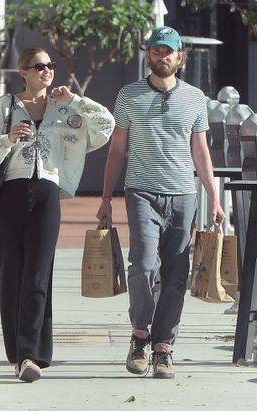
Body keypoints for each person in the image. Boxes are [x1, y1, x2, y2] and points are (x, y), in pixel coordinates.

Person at [0, 48, 115, 382]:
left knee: (38, 275)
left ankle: (30, 354)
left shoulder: (64, 107)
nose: (47, 71)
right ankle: (17, 352)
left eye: (51, 65)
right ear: (23, 72)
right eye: (39, 66)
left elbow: (106, 124)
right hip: (9, 194)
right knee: (12, 276)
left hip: (47, 194)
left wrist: (77, 100)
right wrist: (8, 139)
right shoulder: (7, 106)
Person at [97, 26, 225, 379]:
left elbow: (200, 152)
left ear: (179, 56)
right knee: (143, 264)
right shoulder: (129, 95)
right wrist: (106, 198)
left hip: (184, 195)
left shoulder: (196, 98)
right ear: (148, 55)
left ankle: (164, 347)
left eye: (168, 51)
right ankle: (140, 335)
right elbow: (117, 149)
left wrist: (213, 198)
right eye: (156, 50)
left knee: (175, 274)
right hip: (141, 192)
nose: (162, 56)